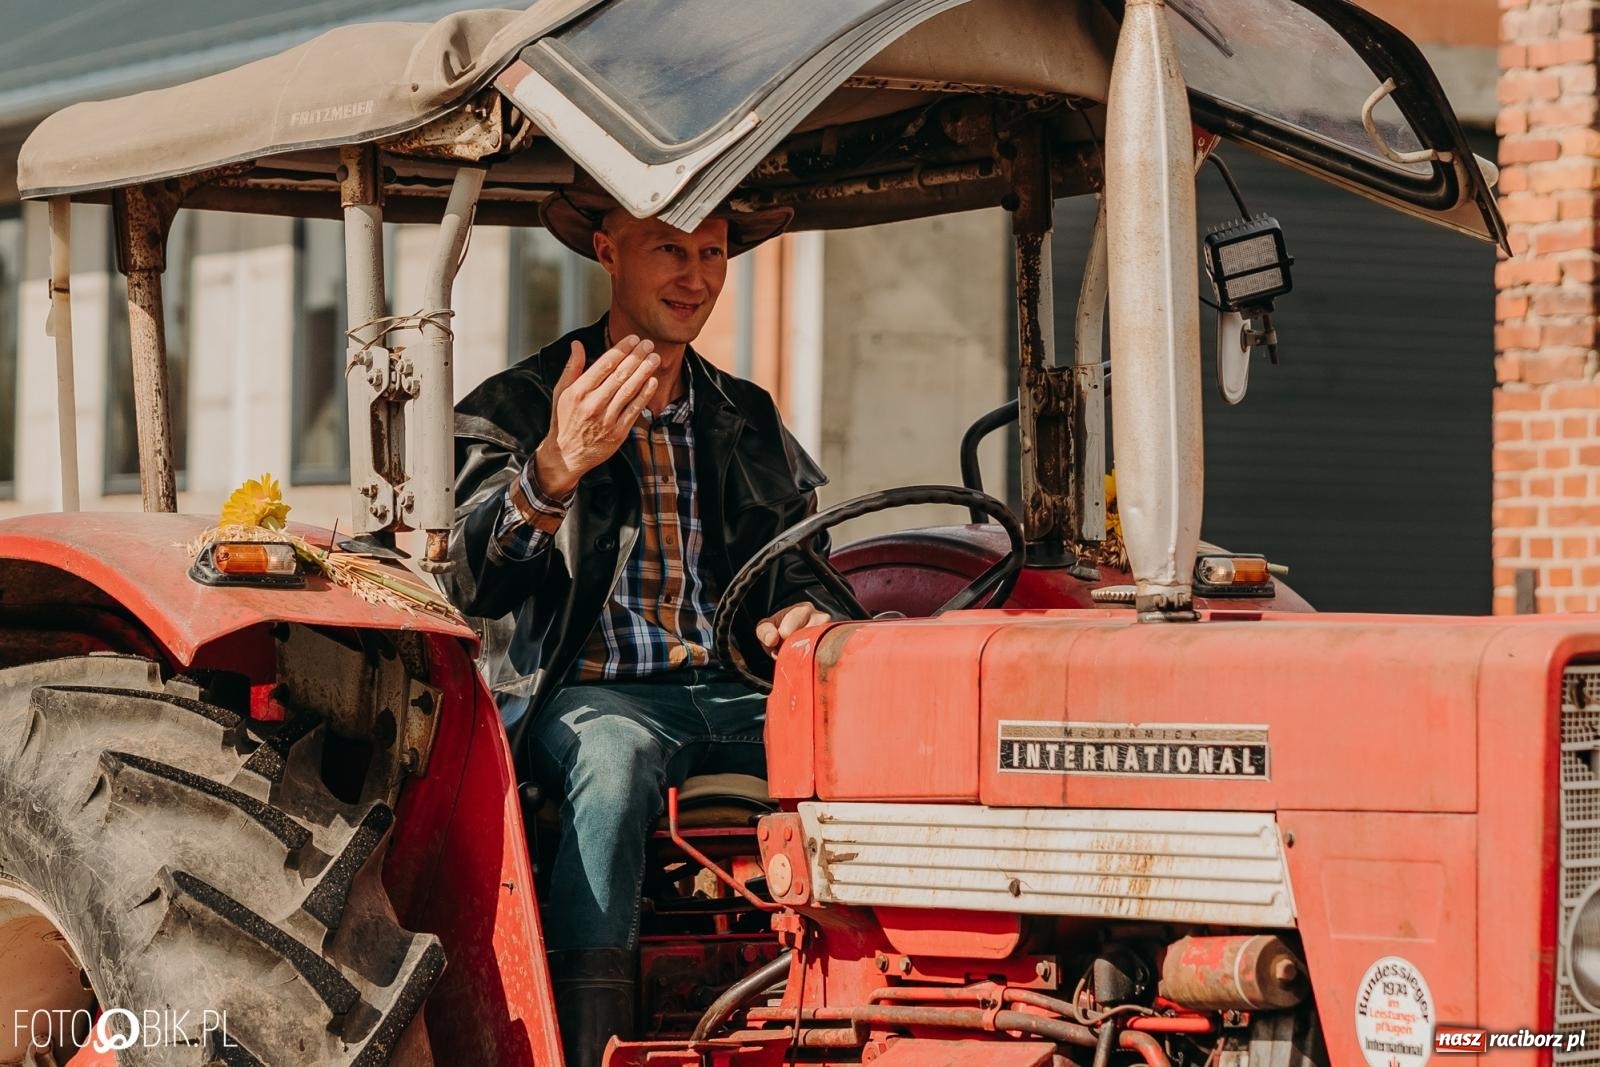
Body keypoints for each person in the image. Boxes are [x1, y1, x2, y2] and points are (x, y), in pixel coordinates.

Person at [445, 176, 845, 1065]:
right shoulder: (517, 406)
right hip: (585, 697)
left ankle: (849, 1004)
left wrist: (805, 612)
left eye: (712, 252)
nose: (695, 275)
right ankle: (587, 1044)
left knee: (862, 752)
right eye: (670, 247)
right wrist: (554, 469)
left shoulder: (747, 414)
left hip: (730, 692)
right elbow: (470, 582)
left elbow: (800, 566)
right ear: (607, 250)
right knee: (617, 761)